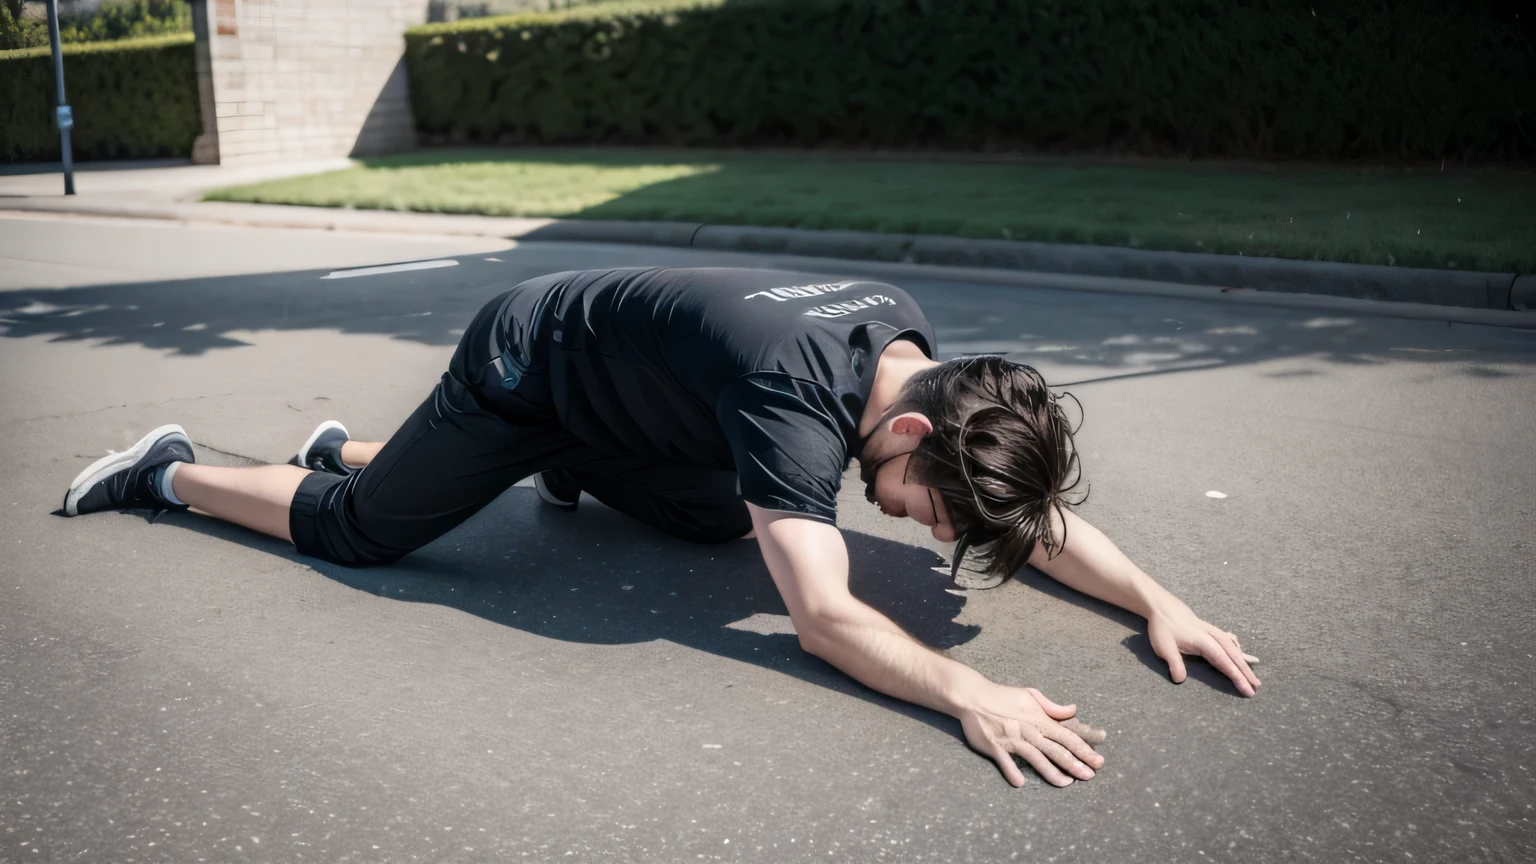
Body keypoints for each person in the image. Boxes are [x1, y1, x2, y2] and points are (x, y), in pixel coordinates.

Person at [60, 267, 1259, 787]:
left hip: (639, 395)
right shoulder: (801, 412)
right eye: (932, 515)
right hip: (527, 361)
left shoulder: (915, 357)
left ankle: (499, 458)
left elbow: (1022, 502)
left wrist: (1165, 603)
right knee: (367, 533)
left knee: (705, 526)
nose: (929, 533)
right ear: (903, 437)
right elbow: (826, 619)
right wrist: (970, 695)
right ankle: (174, 475)